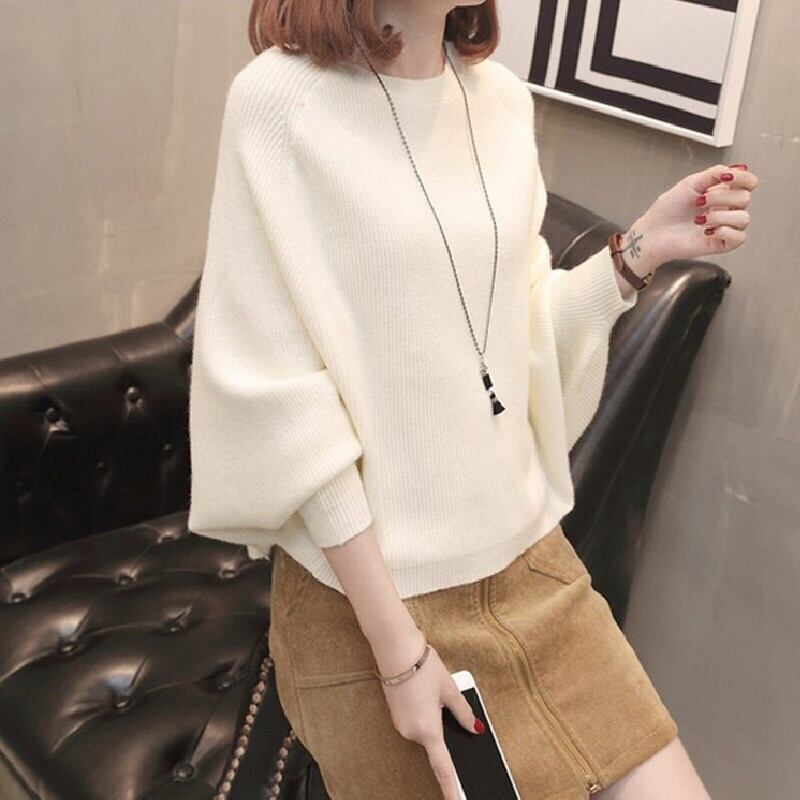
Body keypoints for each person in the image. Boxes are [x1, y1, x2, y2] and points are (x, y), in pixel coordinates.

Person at [187, 1, 758, 798]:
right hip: (368, 605)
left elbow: (511, 351)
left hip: (532, 573)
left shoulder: (501, 102)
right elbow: (279, 399)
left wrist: (636, 254)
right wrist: (401, 659)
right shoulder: (279, 102)